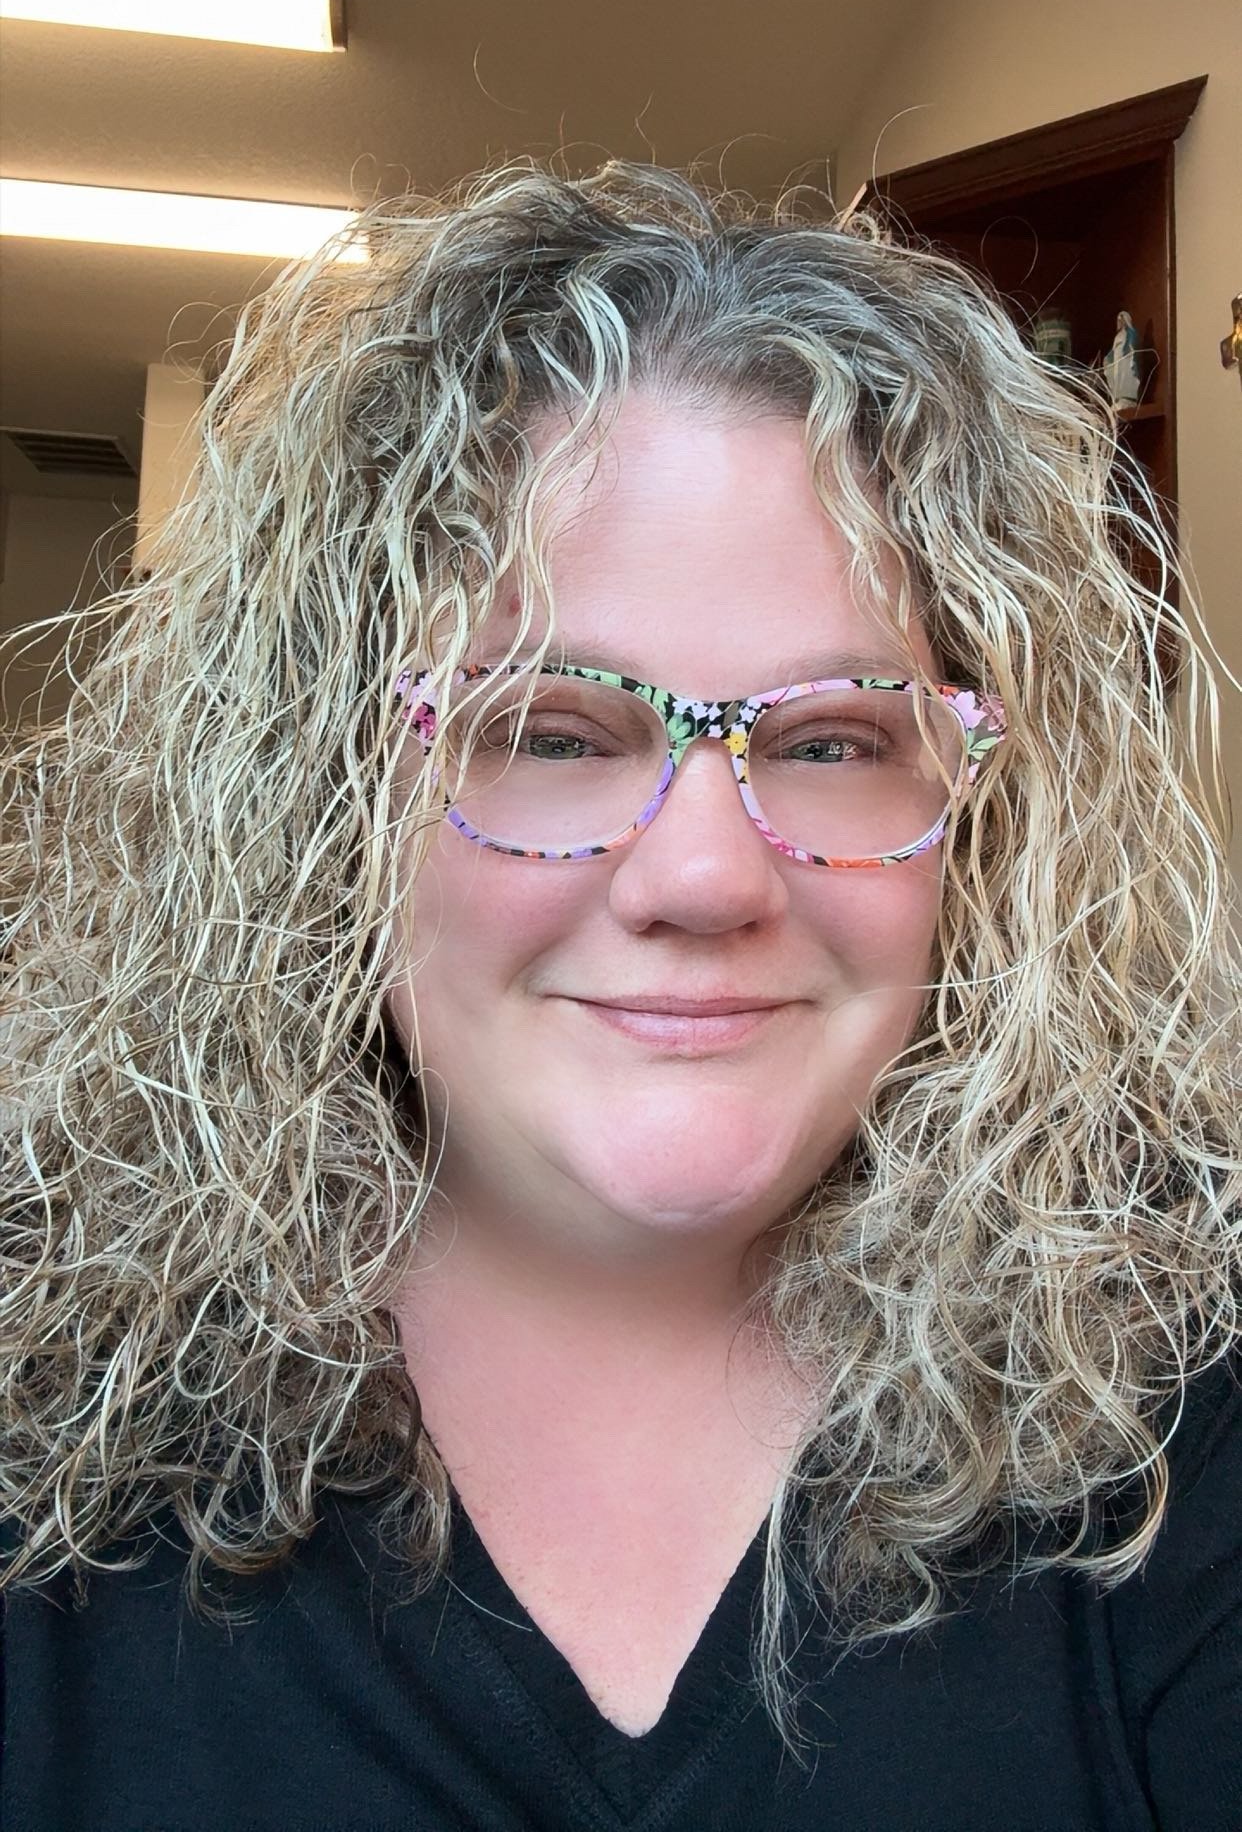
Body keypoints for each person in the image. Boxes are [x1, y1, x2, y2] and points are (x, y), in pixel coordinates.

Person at [2, 158, 1240, 1832]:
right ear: (316, 798)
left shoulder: (1179, 1428)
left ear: (983, 822)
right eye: (554, 733)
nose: (706, 879)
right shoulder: (48, 1428)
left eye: (829, 742)